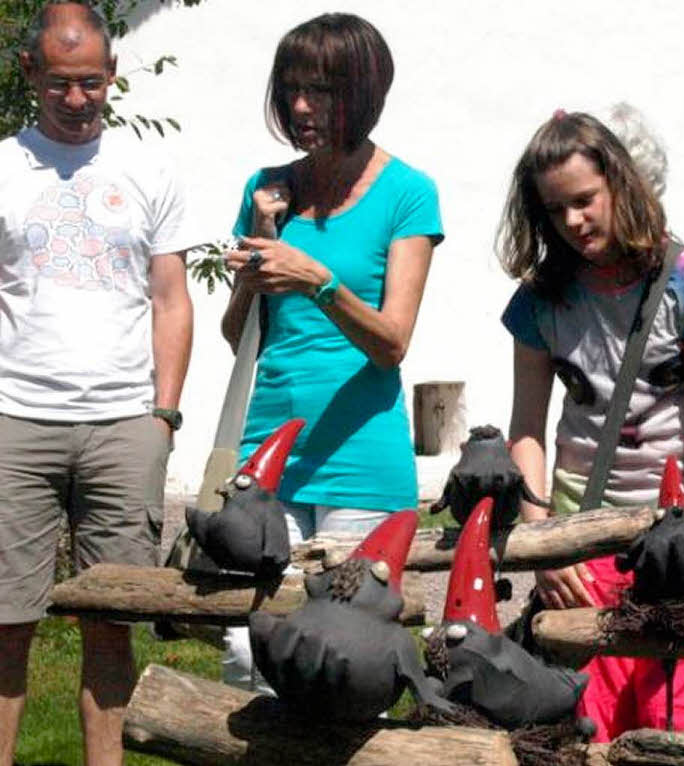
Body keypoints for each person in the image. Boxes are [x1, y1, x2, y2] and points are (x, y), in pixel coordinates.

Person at [499, 110, 684, 741]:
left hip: (675, 526)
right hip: (582, 532)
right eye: (555, 210)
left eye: (585, 200)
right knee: (593, 713)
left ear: (620, 184)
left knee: (673, 706)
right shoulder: (540, 300)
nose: (573, 222)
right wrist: (542, 542)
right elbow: (526, 428)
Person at [219, 13, 442, 691]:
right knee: (247, 649)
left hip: (360, 461)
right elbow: (240, 338)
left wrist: (317, 280)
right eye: (291, 89)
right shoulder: (269, 190)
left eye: (321, 90)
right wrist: (259, 242)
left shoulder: (408, 193)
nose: (301, 107)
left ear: (365, 91)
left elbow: (392, 343)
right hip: (267, 451)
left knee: (344, 658)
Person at [0, 5, 194, 765]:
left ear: (112, 75)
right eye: (59, 84)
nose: (76, 99)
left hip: (123, 422)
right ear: (29, 77)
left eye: (90, 83)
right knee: (6, 619)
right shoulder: (3, 166)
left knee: (111, 617)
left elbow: (171, 296)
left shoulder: (150, 168)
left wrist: (164, 416)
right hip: (16, 417)